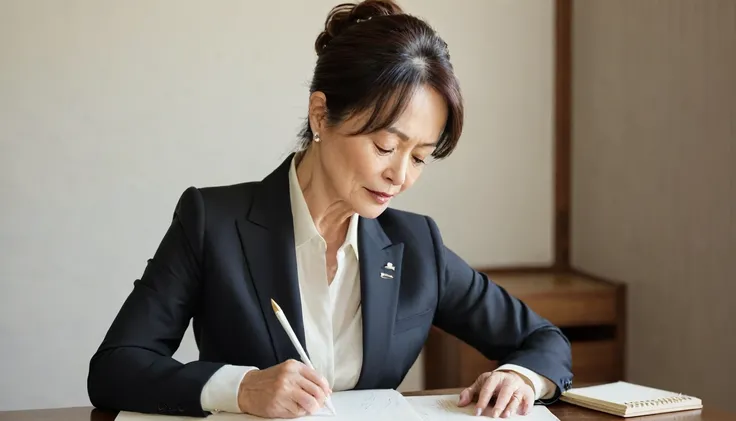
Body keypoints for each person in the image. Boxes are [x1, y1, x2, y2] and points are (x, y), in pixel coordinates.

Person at [87, 0, 572, 419]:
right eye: (386, 146)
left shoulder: (416, 245)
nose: (400, 176)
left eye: (420, 157)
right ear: (321, 115)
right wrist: (240, 388)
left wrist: (521, 379)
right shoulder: (213, 221)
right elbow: (116, 366)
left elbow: (545, 341)